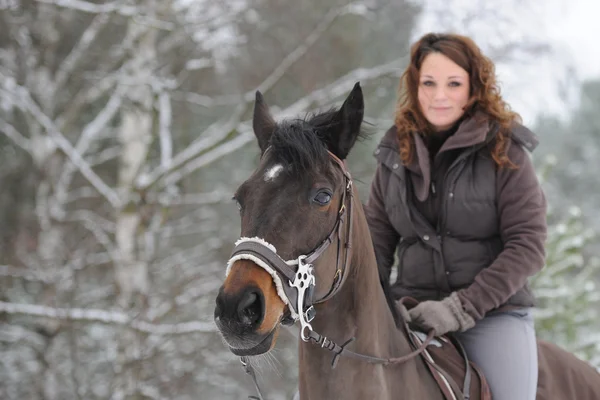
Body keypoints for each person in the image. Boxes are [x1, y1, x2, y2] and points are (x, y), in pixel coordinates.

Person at [365, 32, 547, 400]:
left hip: (492, 314)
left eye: (453, 84)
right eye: (428, 83)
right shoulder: (393, 153)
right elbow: (376, 244)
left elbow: (528, 245)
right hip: (408, 311)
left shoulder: (505, 150)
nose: (439, 96)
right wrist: (366, 304)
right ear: (415, 86)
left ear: (473, 88)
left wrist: (460, 308)